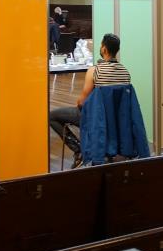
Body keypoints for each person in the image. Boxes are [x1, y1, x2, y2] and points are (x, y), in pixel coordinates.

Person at [48, 33, 130, 166]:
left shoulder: (94, 71)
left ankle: (78, 149)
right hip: (116, 119)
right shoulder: (125, 72)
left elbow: (82, 102)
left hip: (96, 118)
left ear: (104, 49)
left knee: (52, 116)